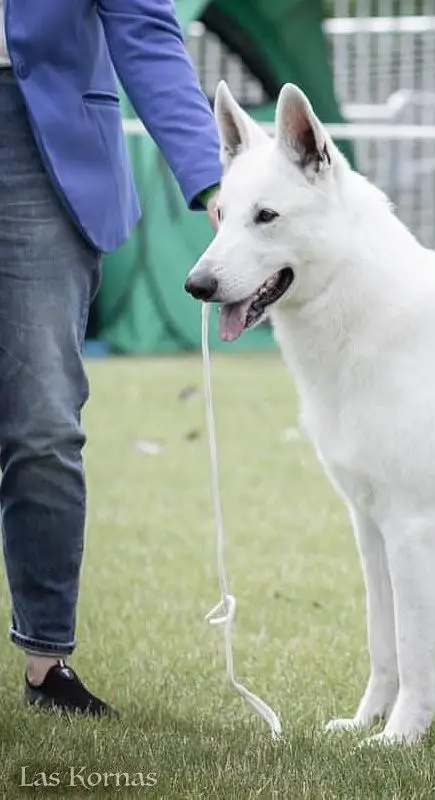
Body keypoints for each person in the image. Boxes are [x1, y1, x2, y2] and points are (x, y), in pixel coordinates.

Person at [0, 0, 222, 716]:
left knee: (42, 422)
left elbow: (145, 31)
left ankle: (46, 663)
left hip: (40, 142)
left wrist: (213, 176)